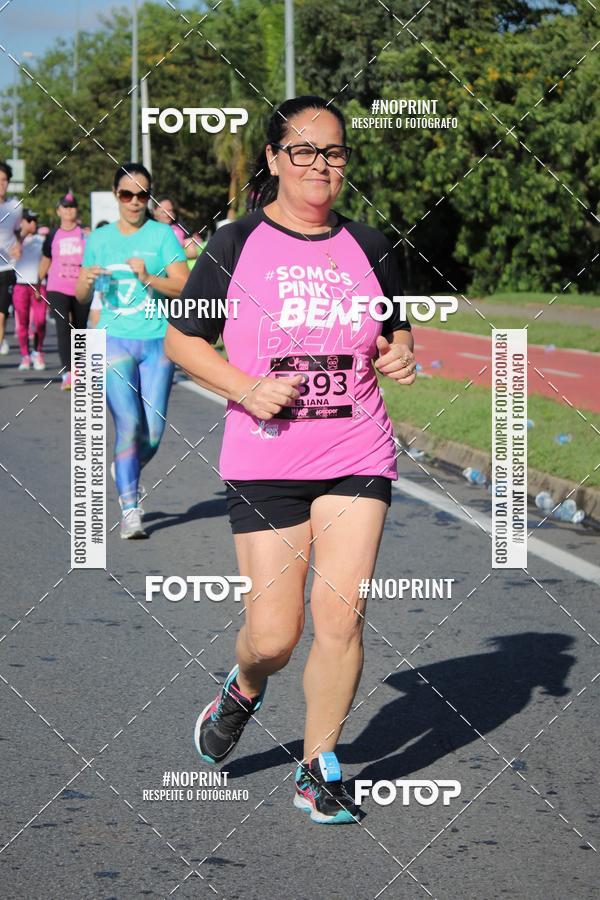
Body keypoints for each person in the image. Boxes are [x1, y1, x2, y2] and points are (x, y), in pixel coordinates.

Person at [165, 95, 417, 824]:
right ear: (275, 159)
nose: (320, 165)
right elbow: (184, 342)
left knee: (342, 614)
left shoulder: (371, 246)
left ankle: (318, 768)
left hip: (357, 450)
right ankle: (244, 687)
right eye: (303, 151)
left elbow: (393, 336)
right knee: (275, 635)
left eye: (333, 152)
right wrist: (247, 387)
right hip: (265, 459)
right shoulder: (234, 243)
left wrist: (399, 356)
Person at [76, 163, 188, 539]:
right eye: (127, 194)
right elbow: (79, 294)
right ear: (116, 195)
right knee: (130, 424)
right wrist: (86, 281)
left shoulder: (162, 237)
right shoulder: (100, 240)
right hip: (113, 340)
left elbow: (184, 287)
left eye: (142, 195)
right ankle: (130, 509)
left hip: (158, 341)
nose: (135, 202)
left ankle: (126, 468)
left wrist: (148, 278)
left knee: (153, 434)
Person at [39, 192, 87, 389]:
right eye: (65, 207)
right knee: (62, 327)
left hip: (81, 287)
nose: (69, 210)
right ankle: (68, 372)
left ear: (76, 210)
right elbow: (46, 259)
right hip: (57, 287)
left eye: (72, 206)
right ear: (59, 211)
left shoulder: (85, 234)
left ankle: (80, 371)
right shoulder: (52, 235)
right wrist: (37, 282)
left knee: (80, 328)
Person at [12, 209, 47, 370]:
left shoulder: (42, 240)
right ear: (22, 222)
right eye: (29, 220)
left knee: (40, 321)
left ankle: (37, 352)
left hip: (38, 286)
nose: (33, 222)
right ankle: (25, 355)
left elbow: (47, 262)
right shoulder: (14, 241)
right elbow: (15, 255)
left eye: (34, 220)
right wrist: (21, 235)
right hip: (20, 285)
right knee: (23, 323)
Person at [0, 161, 22, 355]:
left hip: (6, 268)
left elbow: (18, 232)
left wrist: (19, 244)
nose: (1, 184)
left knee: (1, 314)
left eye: (4, 180)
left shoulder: (15, 207)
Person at [153, 195, 203, 261]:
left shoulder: (181, 228)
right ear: (154, 212)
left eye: (170, 211)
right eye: (163, 211)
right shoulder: (147, 229)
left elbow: (192, 253)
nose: (168, 214)